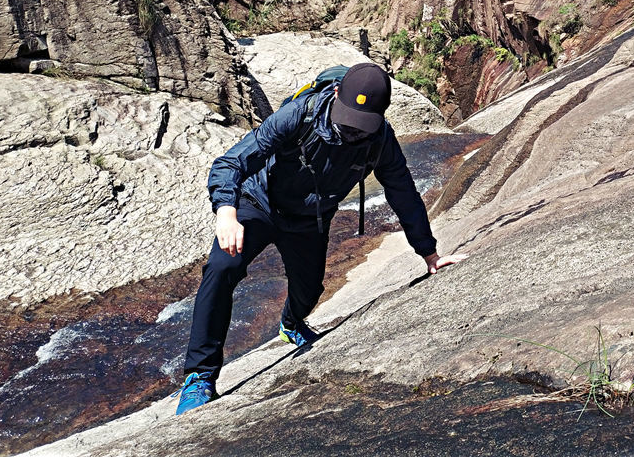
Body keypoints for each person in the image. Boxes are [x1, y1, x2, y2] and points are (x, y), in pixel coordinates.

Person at [175, 63, 464, 415]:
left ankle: (291, 325)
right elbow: (230, 162)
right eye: (346, 120)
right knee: (222, 267)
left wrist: (428, 253)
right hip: (259, 202)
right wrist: (226, 211)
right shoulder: (300, 114)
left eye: (361, 126)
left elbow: (402, 192)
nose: (351, 132)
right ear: (336, 98)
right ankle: (199, 378)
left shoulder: (380, 140)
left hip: (310, 218)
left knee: (310, 289)